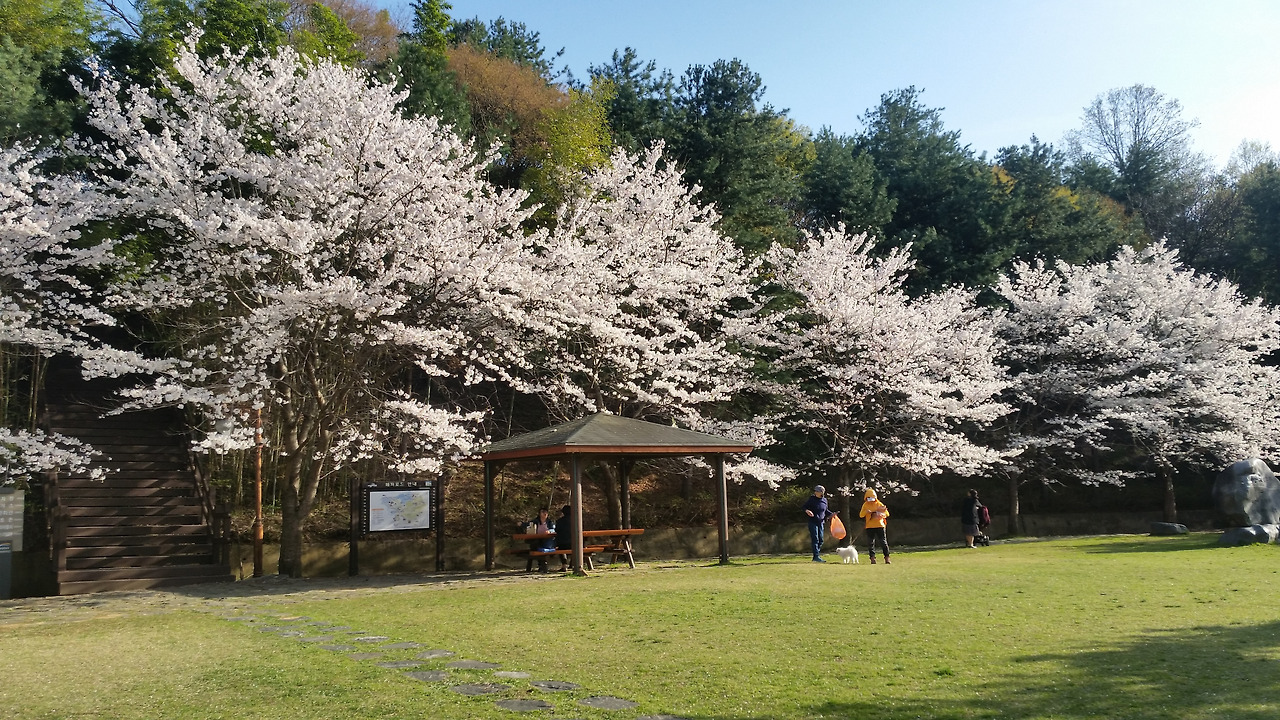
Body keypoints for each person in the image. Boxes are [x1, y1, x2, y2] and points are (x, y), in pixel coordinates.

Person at [802, 485, 838, 562]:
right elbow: (804, 507)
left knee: (821, 540)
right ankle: (816, 556)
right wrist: (807, 511)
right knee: (815, 539)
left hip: (821, 522)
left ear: (821, 492)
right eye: (815, 491)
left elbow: (825, 511)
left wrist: (832, 514)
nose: (815, 492)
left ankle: (816, 554)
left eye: (817, 491)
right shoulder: (812, 499)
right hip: (813, 521)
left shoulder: (824, 500)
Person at [859, 488, 891, 564]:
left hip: (880, 525)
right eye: (869, 497)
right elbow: (861, 515)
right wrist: (866, 512)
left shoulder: (879, 504)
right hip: (869, 526)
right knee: (870, 543)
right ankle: (872, 558)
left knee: (883, 542)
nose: (870, 499)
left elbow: (887, 514)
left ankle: (887, 558)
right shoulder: (865, 505)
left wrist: (881, 514)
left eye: (872, 497)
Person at [526, 507, 556, 572]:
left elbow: (553, 529)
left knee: (543, 548)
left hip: (547, 540)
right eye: (543, 512)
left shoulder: (549, 522)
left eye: (546, 512)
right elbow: (528, 525)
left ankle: (542, 566)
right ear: (539, 514)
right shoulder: (535, 521)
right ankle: (541, 565)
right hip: (536, 539)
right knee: (536, 546)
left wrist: (549, 531)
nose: (545, 514)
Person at [554, 504, 573, 570]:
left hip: (562, 544)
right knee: (576, 548)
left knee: (561, 548)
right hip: (574, 544)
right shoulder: (577, 521)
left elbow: (556, 530)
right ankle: (572, 564)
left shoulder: (560, 521)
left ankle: (564, 565)